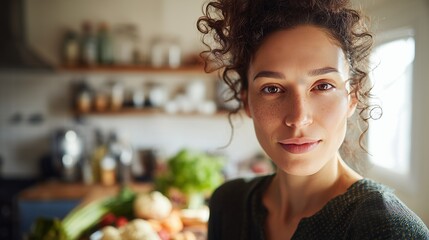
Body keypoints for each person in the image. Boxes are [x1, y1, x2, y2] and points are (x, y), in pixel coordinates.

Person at [197, 0, 429, 239]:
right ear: (246, 101)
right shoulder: (228, 204)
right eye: (272, 89)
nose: (298, 118)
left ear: (352, 97)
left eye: (323, 86)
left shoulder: (390, 231)